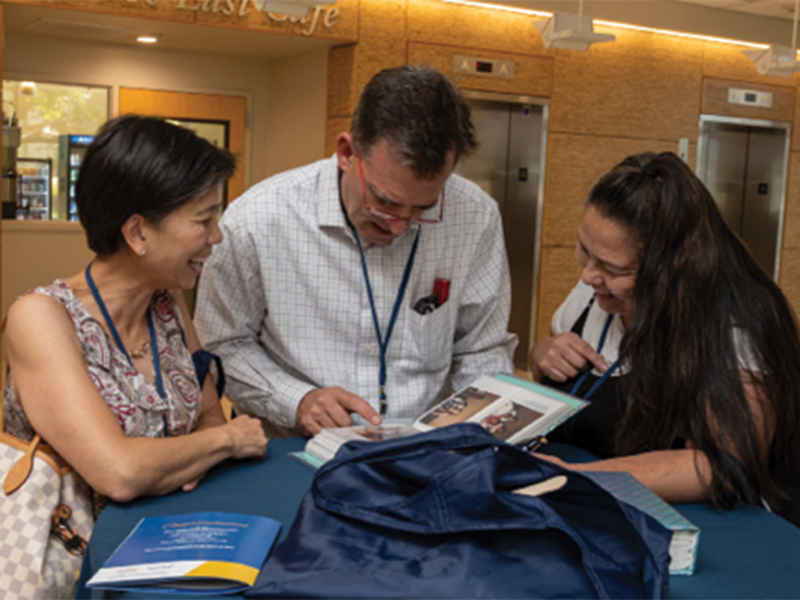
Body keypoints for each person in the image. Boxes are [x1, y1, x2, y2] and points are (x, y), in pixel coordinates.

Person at [195, 65, 517, 437]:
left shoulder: (475, 215)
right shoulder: (258, 218)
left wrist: (480, 428)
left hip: (425, 452)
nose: (399, 224)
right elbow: (221, 345)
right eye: (384, 201)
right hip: (293, 450)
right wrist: (296, 399)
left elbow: (481, 348)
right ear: (347, 152)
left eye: (422, 209)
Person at [3, 115, 268, 516]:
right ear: (138, 233)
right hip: (75, 558)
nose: (217, 236)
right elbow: (119, 473)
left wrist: (194, 451)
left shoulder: (168, 303)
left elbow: (210, 417)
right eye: (204, 219)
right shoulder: (40, 319)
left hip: (166, 535)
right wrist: (230, 440)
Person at [529, 151, 800, 524]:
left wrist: (581, 478)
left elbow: (721, 466)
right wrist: (541, 352)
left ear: (669, 269)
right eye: (584, 249)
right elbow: (557, 356)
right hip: (594, 510)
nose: (589, 275)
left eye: (611, 267)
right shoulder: (600, 290)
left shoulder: (737, 327)